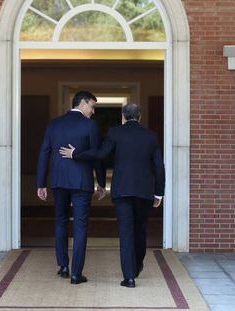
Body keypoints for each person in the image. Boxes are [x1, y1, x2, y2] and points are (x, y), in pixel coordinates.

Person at [59, 103, 165, 288]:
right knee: (140, 230)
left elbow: (100, 154)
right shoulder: (151, 136)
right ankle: (137, 264)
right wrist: (159, 193)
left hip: (122, 190)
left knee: (125, 232)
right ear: (139, 116)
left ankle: (129, 277)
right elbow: (159, 167)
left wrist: (76, 153)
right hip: (144, 191)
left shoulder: (115, 133)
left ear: (123, 116)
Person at [37, 91, 106, 285]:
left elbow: (44, 154)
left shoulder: (54, 124)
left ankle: (63, 266)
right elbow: (97, 155)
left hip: (59, 181)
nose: (93, 111)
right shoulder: (90, 125)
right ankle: (76, 274)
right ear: (82, 103)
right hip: (82, 183)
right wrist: (101, 182)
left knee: (60, 222)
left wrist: (41, 183)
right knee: (80, 226)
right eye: (92, 106)